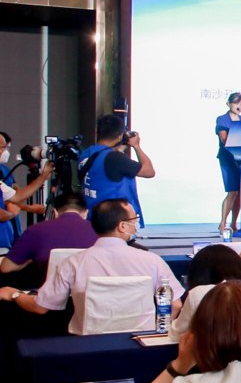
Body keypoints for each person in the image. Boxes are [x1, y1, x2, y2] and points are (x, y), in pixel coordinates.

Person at [2, 200, 178, 334]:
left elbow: (41, 307)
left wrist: (14, 294)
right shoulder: (152, 261)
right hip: (141, 344)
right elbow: (175, 305)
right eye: (134, 219)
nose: (136, 223)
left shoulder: (72, 263)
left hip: (88, 347)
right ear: (122, 226)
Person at [0, 191, 95, 284]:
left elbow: (6, 268)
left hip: (46, 291)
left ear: (55, 212)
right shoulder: (99, 230)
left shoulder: (35, 229)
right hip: (88, 292)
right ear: (86, 213)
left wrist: (33, 259)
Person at [78, 113, 154, 226]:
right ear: (120, 136)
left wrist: (118, 150)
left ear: (96, 132)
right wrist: (136, 146)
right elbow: (149, 172)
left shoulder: (86, 153)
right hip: (113, 221)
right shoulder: (115, 158)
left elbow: (105, 166)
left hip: (91, 216)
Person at [215, 92, 241, 236]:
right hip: (228, 159)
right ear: (229, 104)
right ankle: (223, 222)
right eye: (236, 104)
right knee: (232, 191)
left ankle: (234, 223)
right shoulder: (222, 119)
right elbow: (224, 139)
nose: (239, 107)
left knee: (240, 192)